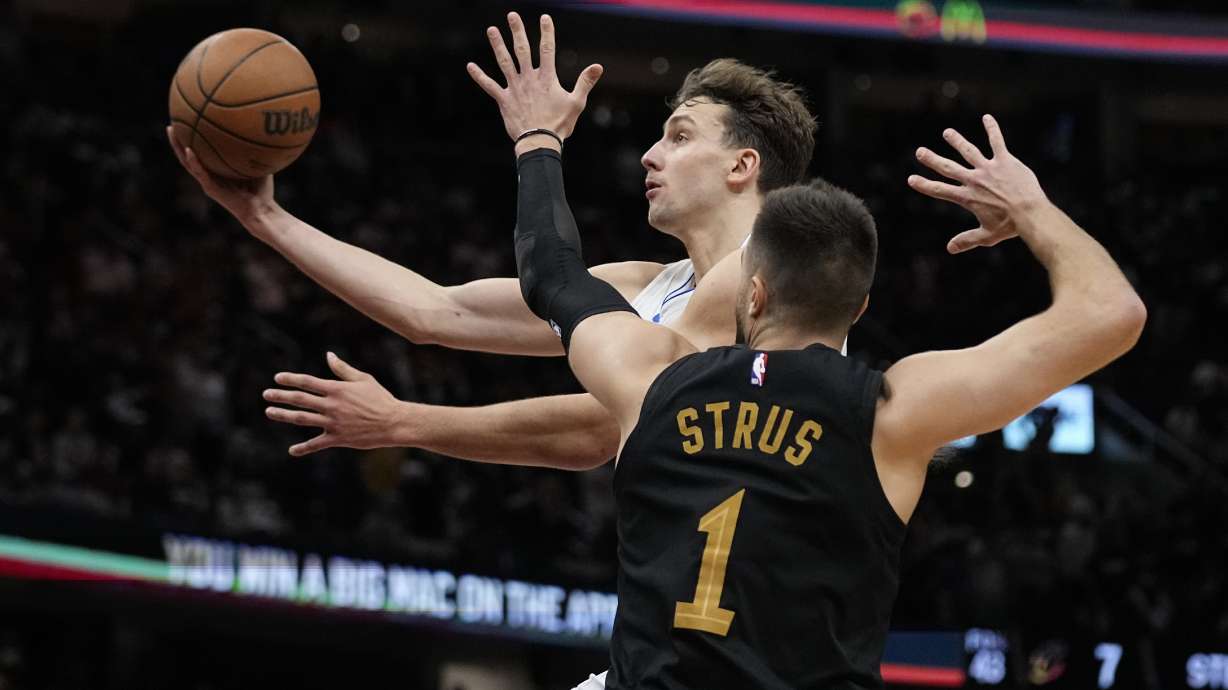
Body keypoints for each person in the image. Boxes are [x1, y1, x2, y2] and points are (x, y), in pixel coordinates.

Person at [494, 17, 1146, 689]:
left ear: (750, 294)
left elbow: (550, 270)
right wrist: (1031, 207)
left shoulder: (651, 373)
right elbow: (1112, 313)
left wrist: (538, 139)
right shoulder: (892, 414)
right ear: (858, 308)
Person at [166, 12, 819, 469]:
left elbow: (606, 425)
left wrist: (407, 422)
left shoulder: (775, 280)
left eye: (679, 136)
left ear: (742, 166)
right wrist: (266, 219)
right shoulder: (650, 288)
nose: (650, 155)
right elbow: (437, 311)